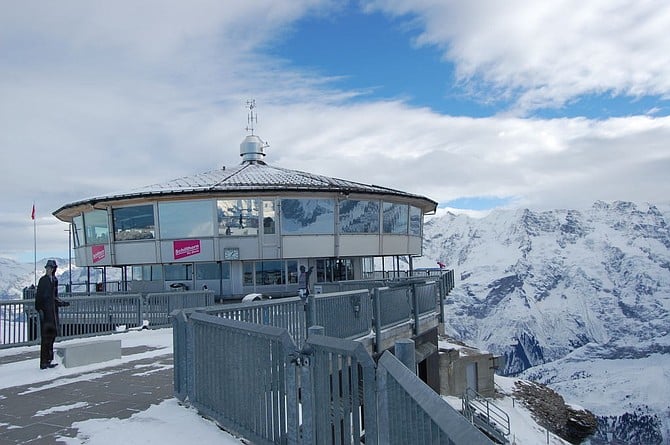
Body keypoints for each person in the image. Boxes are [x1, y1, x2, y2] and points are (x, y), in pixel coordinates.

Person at [34, 259, 70, 370]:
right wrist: (40, 310)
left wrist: (61, 303)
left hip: (53, 313)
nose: (49, 270)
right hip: (46, 313)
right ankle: (44, 362)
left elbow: (54, 296)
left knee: (52, 337)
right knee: (46, 338)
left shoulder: (54, 280)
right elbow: (39, 297)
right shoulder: (43, 280)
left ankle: (49, 359)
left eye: (50, 268)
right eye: (47, 268)